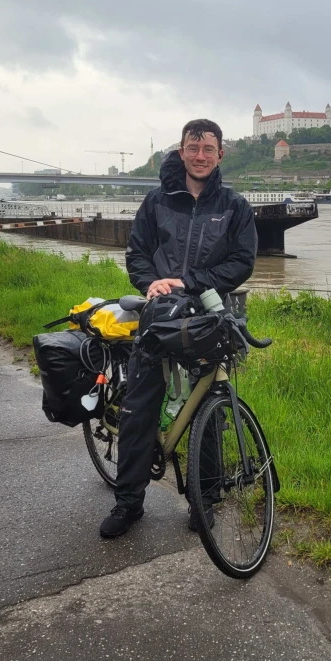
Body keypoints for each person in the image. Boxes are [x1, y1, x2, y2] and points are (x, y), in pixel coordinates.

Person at [99, 119, 258, 538]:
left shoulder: (234, 207)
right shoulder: (156, 202)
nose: (200, 156)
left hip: (205, 315)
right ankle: (128, 502)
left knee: (208, 401)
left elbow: (242, 261)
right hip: (159, 315)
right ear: (182, 151)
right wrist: (149, 282)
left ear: (220, 154)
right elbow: (137, 252)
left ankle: (203, 501)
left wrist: (192, 282)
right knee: (140, 405)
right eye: (193, 148)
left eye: (208, 149)